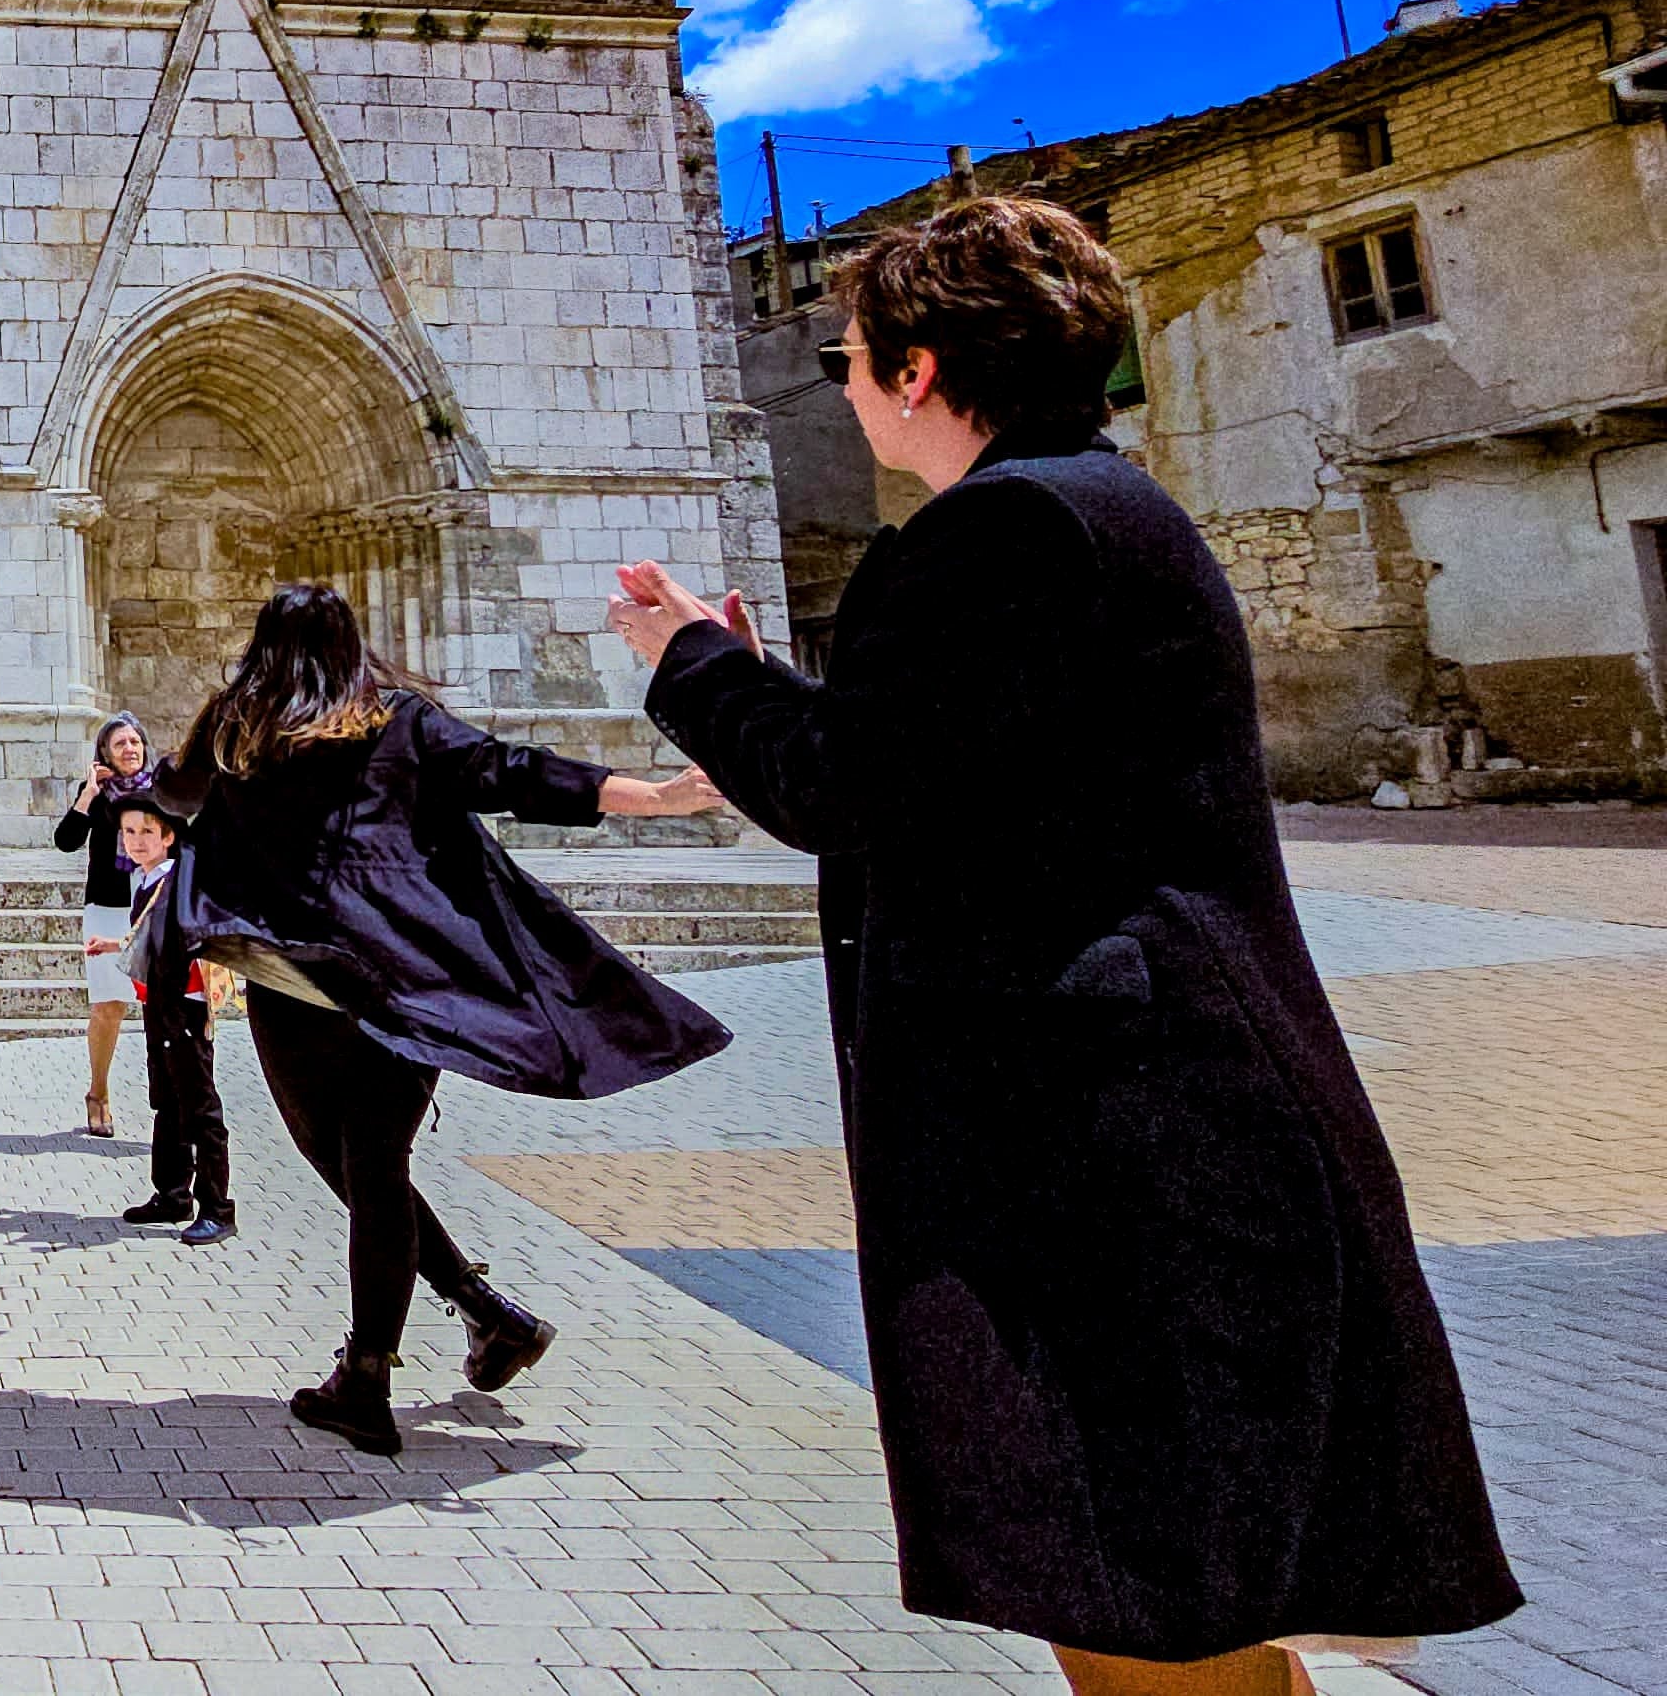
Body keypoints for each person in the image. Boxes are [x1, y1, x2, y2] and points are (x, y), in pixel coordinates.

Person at [612, 196, 1519, 1694]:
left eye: (850, 359)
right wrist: (759, 687)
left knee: (1135, 1594)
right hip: (1141, 1125)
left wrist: (689, 665)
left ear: (915, 372)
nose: (840, 386)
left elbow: (845, 796)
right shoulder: (1091, 509)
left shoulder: (1009, 528)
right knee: (1165, 1606)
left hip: (1115, 1156)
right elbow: (941, 772)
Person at [159, 583, 731, 1458]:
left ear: (264, 645)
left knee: (345, 1165)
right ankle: (454, 1330)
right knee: (377, 1167)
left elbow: (176, 795)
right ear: (353, 643)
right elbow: (510, 772)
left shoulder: (237, 726)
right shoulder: (399, 720)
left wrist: (136, 781)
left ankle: (385, 1370)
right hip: (407, 977)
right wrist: (653, 796)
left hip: (299, 980)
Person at [108, 794, 230, 1244]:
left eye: (145, 831)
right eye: (129, 832)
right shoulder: (145, 880)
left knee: (201, 1108)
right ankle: (172, 1193)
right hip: (158, 1004)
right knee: (167, 1100)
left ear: (168, 836)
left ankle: (217, 1206)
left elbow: (189, 935)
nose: (136, 841)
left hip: (185, 1004)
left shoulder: (181, 879)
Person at [50, 714, 156, 1137]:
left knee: (159, 1009)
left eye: (134, 741)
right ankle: (99, 1092)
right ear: (104, 755)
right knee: (109, 1007)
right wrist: (89, 794)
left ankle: (166, 1100)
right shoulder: (96, 794)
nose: (129, 749)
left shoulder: (159, 792)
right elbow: (65, 841)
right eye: (119, 744)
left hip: (152, 908)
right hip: (107, 908)